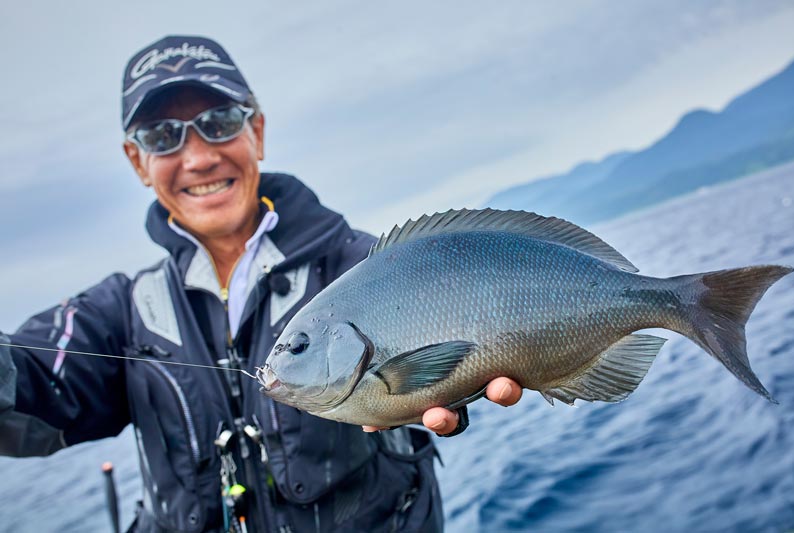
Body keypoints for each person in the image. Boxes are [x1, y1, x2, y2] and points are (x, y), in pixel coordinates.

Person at [0, 35, 521, 532]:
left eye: (220, 122)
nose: (199, 156)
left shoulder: (365, 265)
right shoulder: (117, 313)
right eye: (163, 136)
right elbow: (30, 379)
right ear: (138, 161)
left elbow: (478, 325)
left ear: (258, 132)